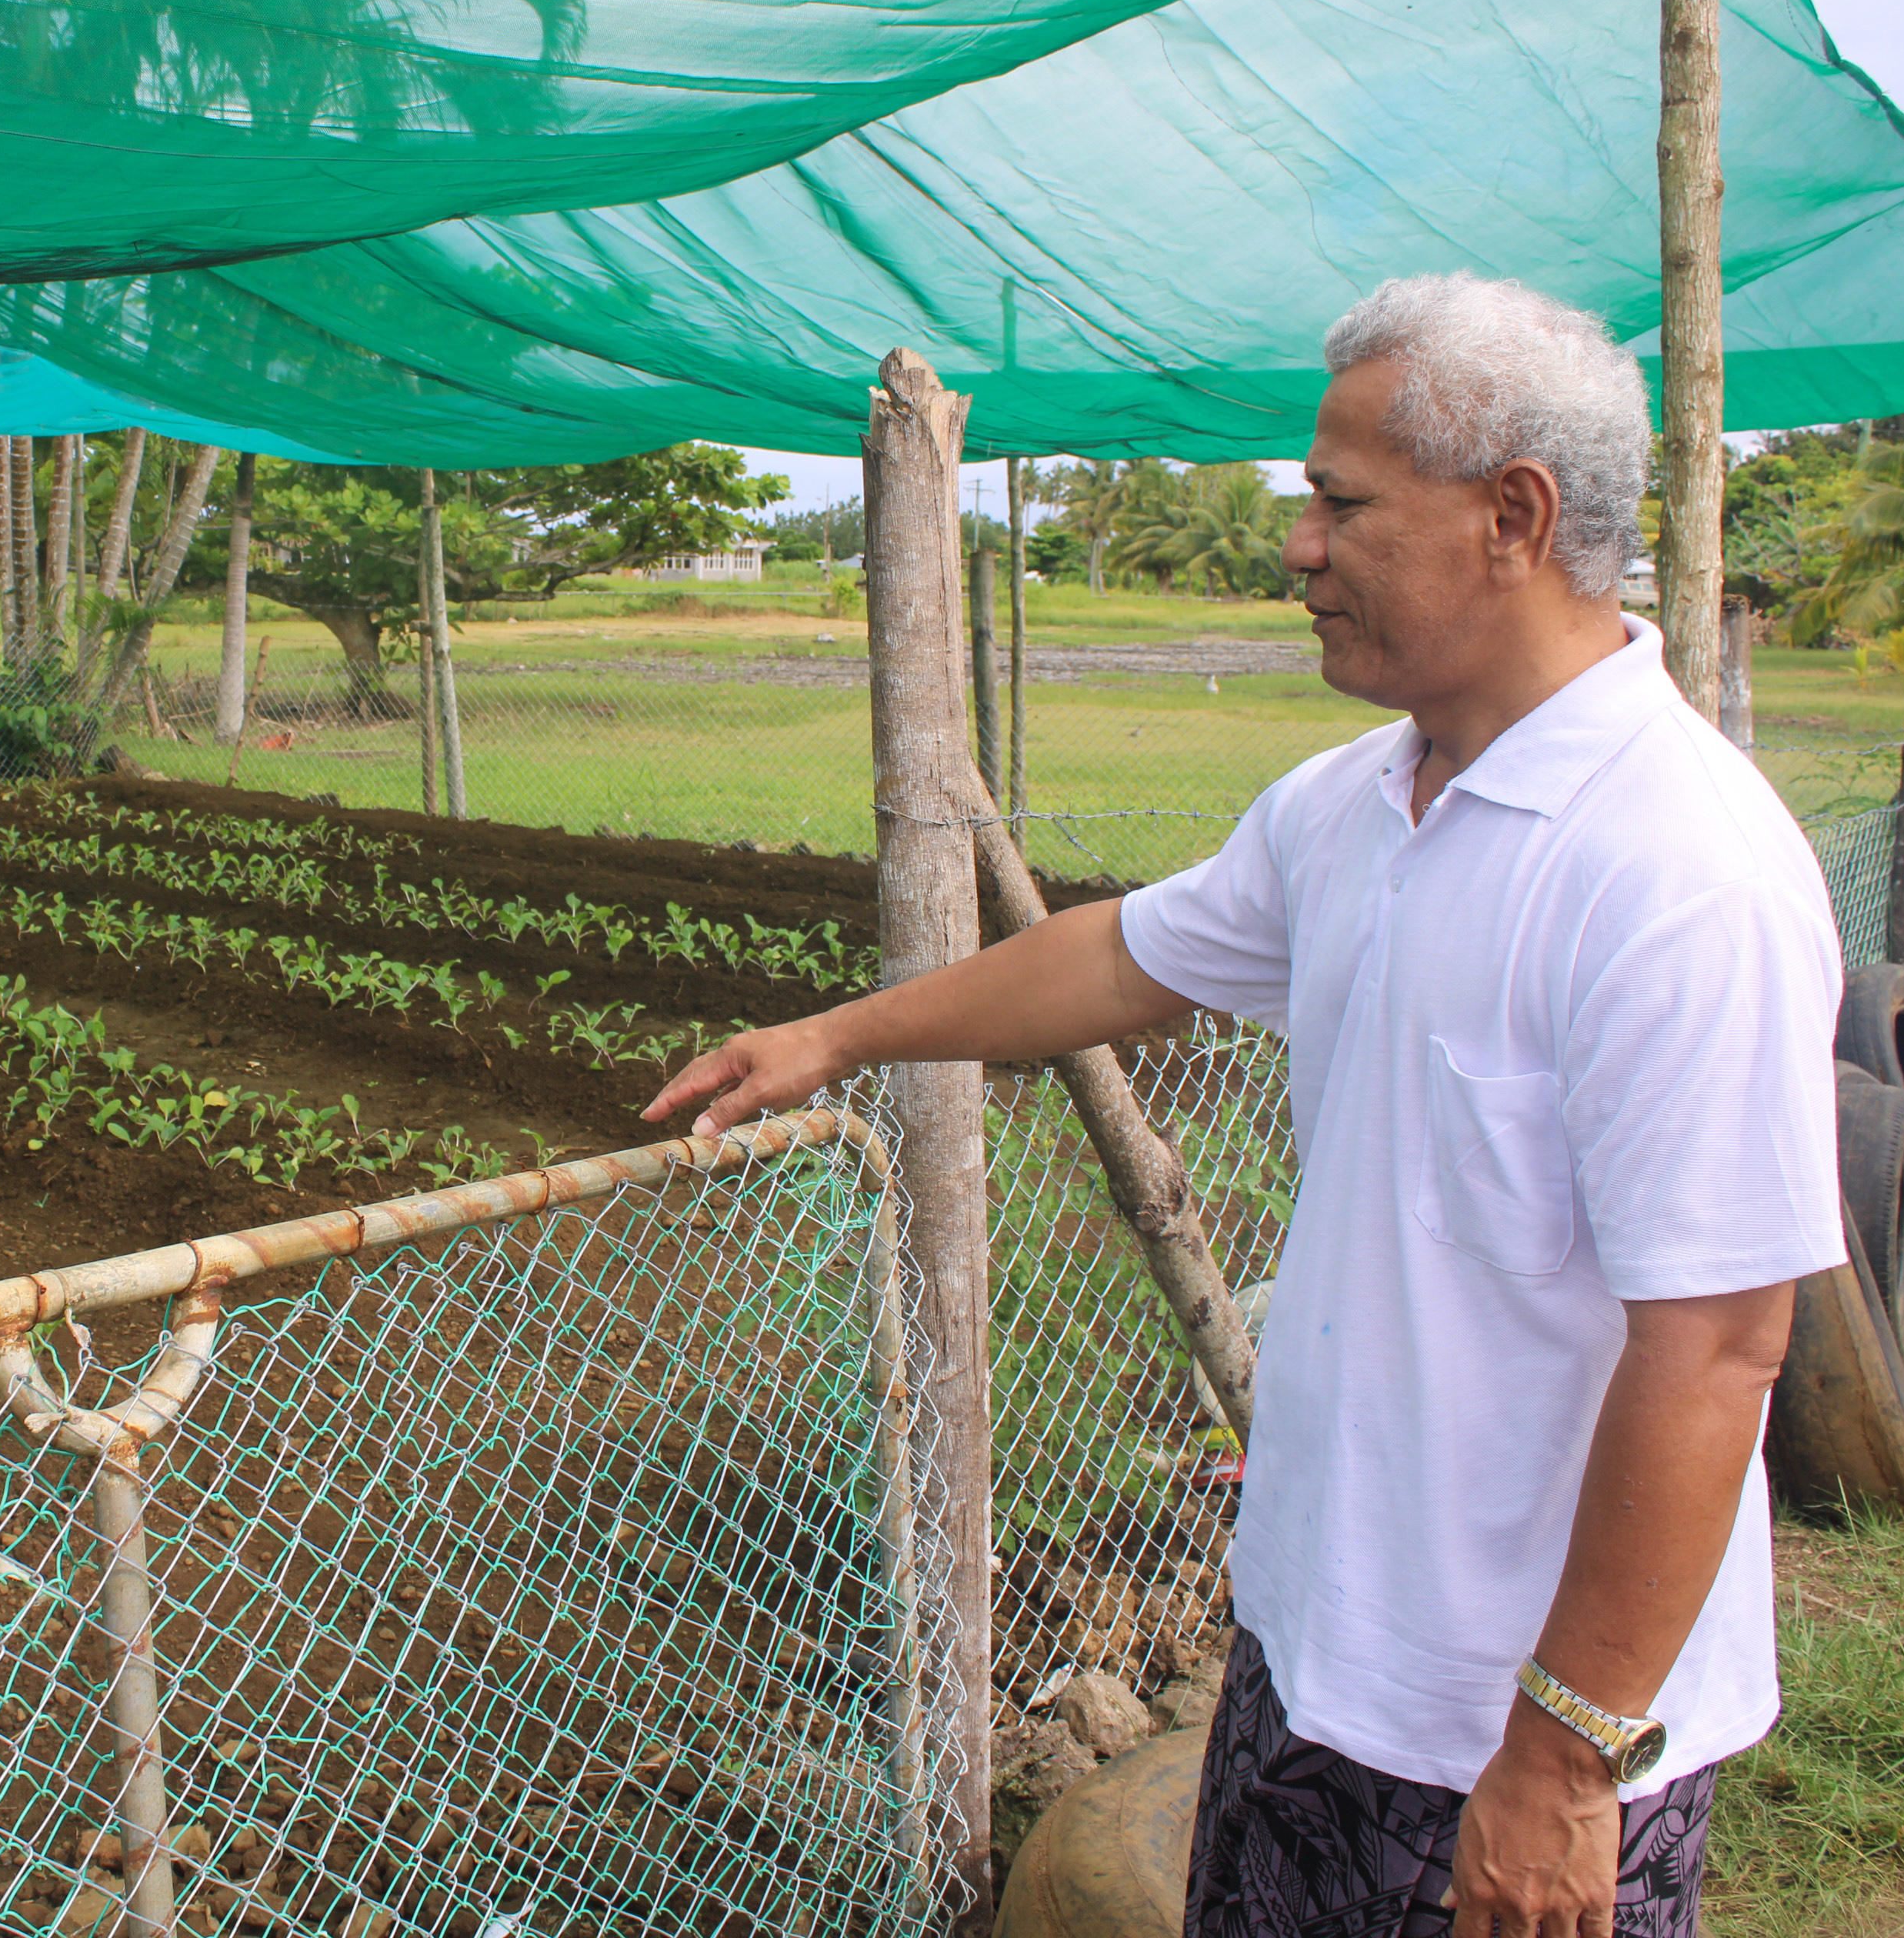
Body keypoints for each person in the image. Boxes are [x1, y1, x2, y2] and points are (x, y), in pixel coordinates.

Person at [645, 274, 1842, 1938]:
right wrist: (841, 1035)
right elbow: (1119, 960)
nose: (1299, 546)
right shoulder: (1355, 803)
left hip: (1523, 1716)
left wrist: (1564, 1757)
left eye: (1342, 502)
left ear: (1515, 516)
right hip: (1309, 1650)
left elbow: (1718, 1345)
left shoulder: (1678, 872)